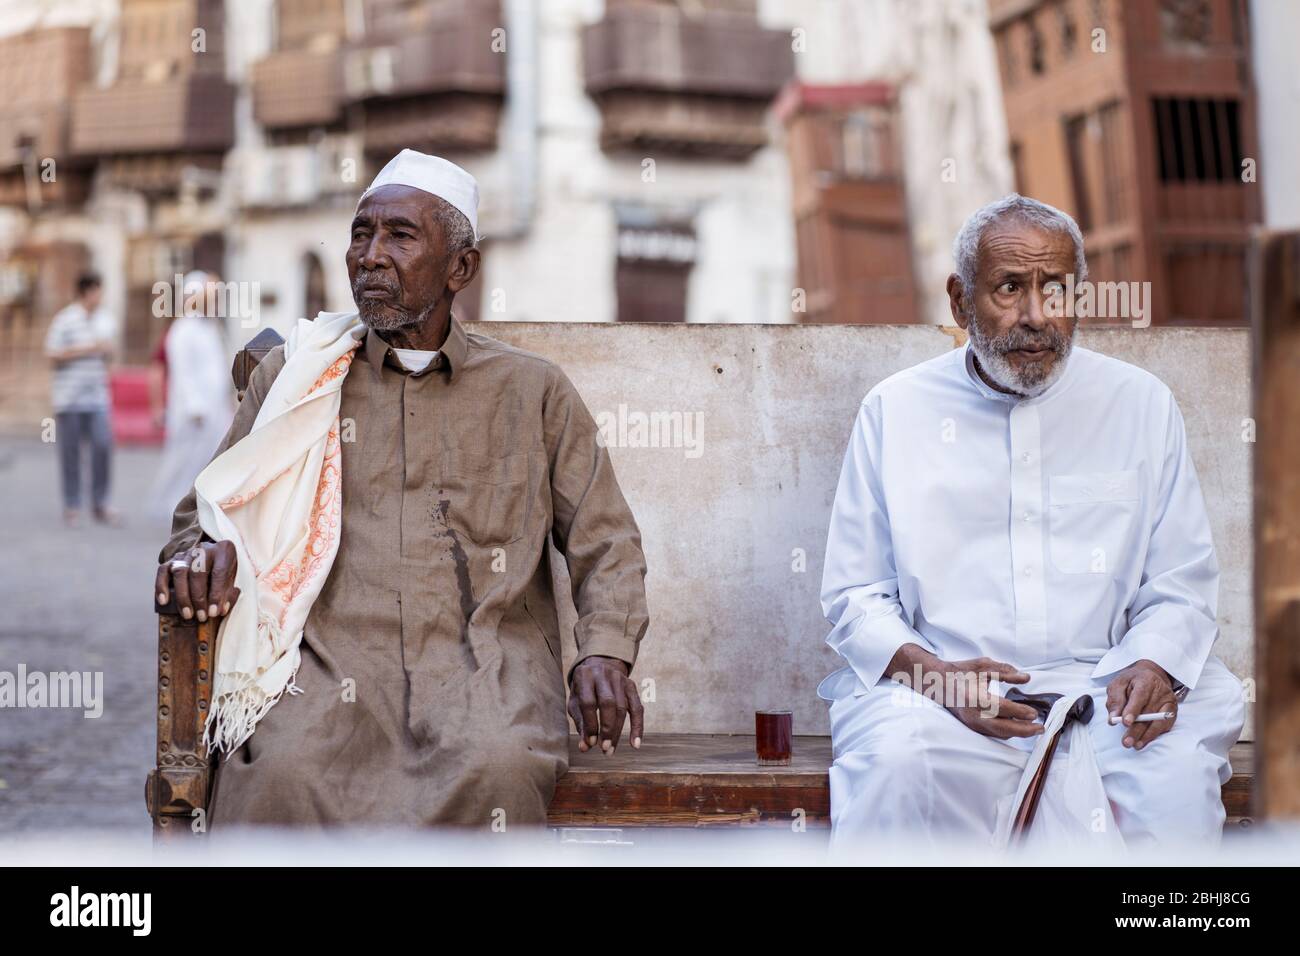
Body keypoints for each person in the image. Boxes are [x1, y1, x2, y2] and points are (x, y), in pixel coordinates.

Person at [154, 149, 650, 828]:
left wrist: (605, 650)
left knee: (498, 768)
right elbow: (202, 516)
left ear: (461, 268)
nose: (370, 256)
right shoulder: (296, 378)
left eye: (400, 236)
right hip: (322, 672)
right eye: (362, 234)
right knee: (280, 776)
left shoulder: (533, 392)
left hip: (485, 675)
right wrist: (205, 553)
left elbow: (607, 541)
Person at [819, 194, 1244, 849]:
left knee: (1171, 787)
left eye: (1057, 290)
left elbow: (1182, 580)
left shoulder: (1140, 404)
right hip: (944, 698)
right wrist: (937, 679)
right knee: (899, 769)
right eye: (1010, 288)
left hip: (1110, 687)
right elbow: (856, 596)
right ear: (961, 302)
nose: (1037, 316)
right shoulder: (895, 411)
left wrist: (1155, 662)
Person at [148, 271, 234, 518]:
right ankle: (173, 509)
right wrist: (195, 406)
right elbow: (182, 373)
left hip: (216, 410)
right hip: (193, 413)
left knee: (210, 462)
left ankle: (200, 512)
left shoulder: (210, 327)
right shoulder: (182, 329)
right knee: (185, 463)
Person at [43, 272, 120, 527]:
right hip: (69, 398)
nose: (100, 297)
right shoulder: (65, 320)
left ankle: (101, 502)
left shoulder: (105, 320)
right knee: (70, 452)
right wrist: (86, 349)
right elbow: (51, 355)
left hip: (97, 397)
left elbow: (109, 355)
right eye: (97, 291)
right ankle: (72, 504)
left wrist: (106, 353)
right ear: (86, 292)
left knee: (102, 446)